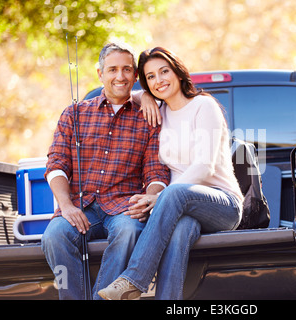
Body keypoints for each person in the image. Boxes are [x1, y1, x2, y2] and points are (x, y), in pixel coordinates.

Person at [98, 47, 244, 300]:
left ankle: (133, 279)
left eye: (164, 71)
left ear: (177, 71)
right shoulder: (159, 112)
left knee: (175, 193)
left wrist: (160, 198)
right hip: (180, 209)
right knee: (180, 230)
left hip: (223, 204)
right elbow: (115, 91)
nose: (159, 80)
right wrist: (143, 95)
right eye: (151, 77)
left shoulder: (203, 106)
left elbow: (204, 167)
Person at [41, 42, 170, 300]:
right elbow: (56, 164)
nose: (120, 76)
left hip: (124, 207)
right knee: (54, 236)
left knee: (129, 231)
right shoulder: (73, 114)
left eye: (126, 70)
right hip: (80, 206)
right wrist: (65, 206)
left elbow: (156, 172)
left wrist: (149, 196)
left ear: (135, 75)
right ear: (100, 73)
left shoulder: (149, 117)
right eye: (112, 70)